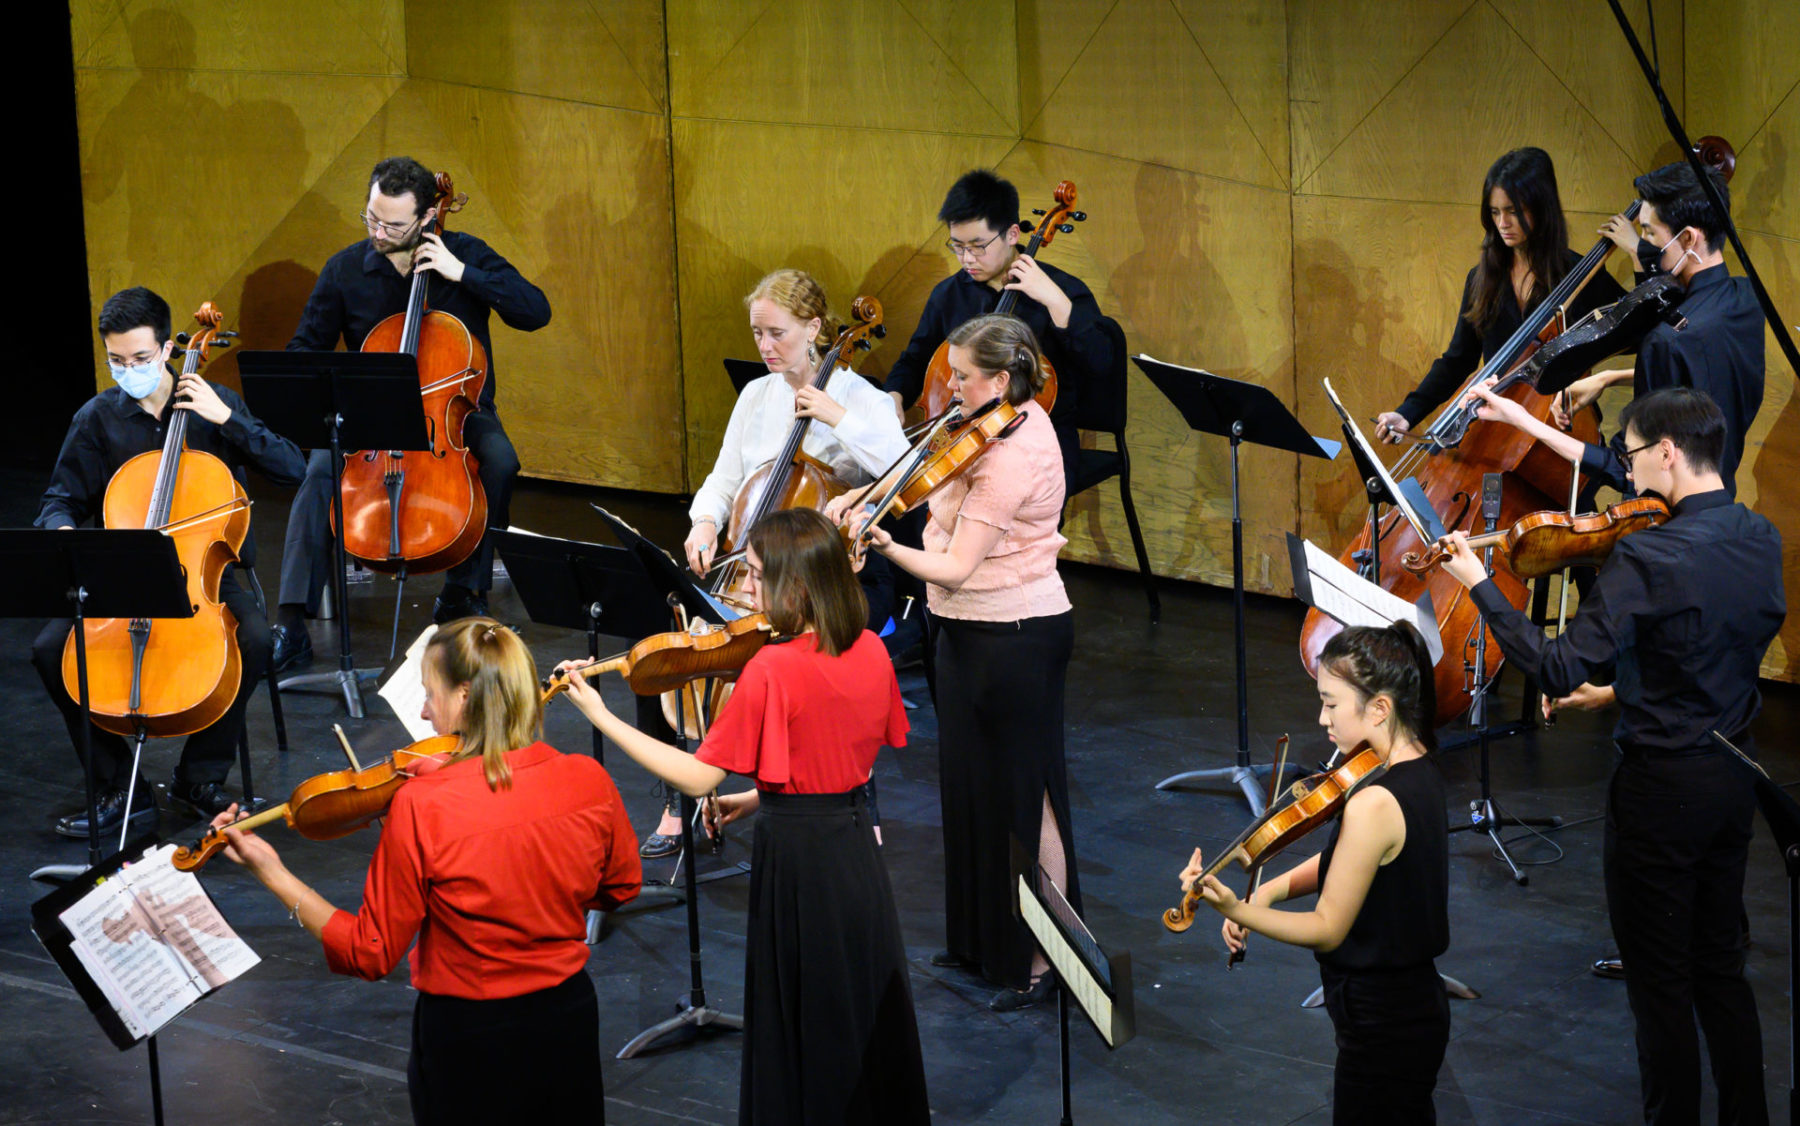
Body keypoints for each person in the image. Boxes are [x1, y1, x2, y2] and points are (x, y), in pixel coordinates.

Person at [1439, 387, 1781, 1124]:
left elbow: (1558, 667)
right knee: (1720, 967)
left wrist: (1482, 587)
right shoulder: (1760, 537)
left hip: (1660, 794)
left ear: (1665, 452)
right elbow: (1709, 656)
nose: (1623, 475)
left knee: (1660, 985)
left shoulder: (1649, 555)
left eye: (1626, 456)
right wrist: (1622, 690)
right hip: (1732, 778)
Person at [558, 508, 930, 1124]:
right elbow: (851, 767)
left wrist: (601, 716)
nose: (746, 588)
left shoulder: (772, 668)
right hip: (856, 858)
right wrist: (759, 798)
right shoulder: (870, 649)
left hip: (800, 865)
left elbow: (700, 775)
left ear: (797, 587)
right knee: (855, 1007)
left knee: (802, 1015)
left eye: (756, 575)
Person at [208, 617, 641, 1124]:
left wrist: (271, 870)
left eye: (430, 695)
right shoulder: (587, 777)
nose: (423, 711)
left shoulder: (423, 805)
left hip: (469, 1037)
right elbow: (620, 886)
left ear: (463, 697)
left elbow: (368, 952)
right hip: (566, 1022)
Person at [838, 312, 1077, 1011]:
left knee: (1026, 799)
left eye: (961, 377)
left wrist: (882, 545)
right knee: (973, 793)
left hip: (1017, 635)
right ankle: (982, 945)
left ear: (1000, 379)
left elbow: (958, 567)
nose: (949, 389)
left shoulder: (1012, 453)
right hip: (964, 635)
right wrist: (865, 493)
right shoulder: (978, 424)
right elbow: (921, 479)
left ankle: (1040, 961)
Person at [640, 267, 912, 858]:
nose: (765, 347)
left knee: (803, 664)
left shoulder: (860, 398)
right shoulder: (757, 395)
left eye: (777, 333)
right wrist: (706, 521)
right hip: (750, 567)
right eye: (757, 334)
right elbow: (725, 478)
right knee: (664, 656)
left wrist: (838, 417)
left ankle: (851, 797)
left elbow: (903, 471)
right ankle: (675, 799)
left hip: (833, 577)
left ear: (815, 327)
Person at [34, 286, 306, 835]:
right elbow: (60, 499)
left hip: (206, 570)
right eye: (116, 360)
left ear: (166, 348)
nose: (128, 369)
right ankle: (118, 785)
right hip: (123, 567)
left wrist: (229, 418)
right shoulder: (96, 419)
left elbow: (294, 469)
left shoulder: (212, 405)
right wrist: (61, 529)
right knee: (48, 651)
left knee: (252, 639)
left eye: (139, 358)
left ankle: (199, 776)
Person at [271, 156, 551, 672]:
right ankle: (291, 622)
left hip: (455, 416)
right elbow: (304, 349)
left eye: (393, 224)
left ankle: (463, 594)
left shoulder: (465, 253)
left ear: (426, 218)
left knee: (501, 461)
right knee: (318, 472)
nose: (378, 232)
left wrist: (462, 274)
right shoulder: (345, 270)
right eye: (371, 218)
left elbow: (535, 310)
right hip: (372, 418)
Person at [1182, 623, 1449, 1124]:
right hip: (1407, 1011)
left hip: (1382, 1021)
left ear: (1379, 709)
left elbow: (1327, 927)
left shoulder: (1375, 801)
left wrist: (1236, 907)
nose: (1320, 716)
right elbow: (1344, 862)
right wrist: (1271, 890)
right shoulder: (1418, 766)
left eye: (1330, 703)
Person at [880, 168, 1120, 497]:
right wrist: (893, 397)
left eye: (978, 246)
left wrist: (1055, 302)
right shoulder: (948, 295)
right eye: (957, 246)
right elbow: (914, 360)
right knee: (908, 508)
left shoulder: (1062, 290)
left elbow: (1101, 363)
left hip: (1040, 441)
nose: (966, 258)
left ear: (1011, 234)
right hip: (954, 437)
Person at [1374, 146, 1626, 445]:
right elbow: (1458, 360)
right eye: (1495, 212)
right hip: (1494, 431)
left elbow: (1634, 332)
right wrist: (1408, 413)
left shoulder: (1581, 274)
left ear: (1542, 209)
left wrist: (1640, 255)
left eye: (1513, 211)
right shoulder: (1482, 279)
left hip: (1559, 430)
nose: (1503, 223)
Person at [1542, 161, 1764, 497]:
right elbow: (1702, 377)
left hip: (1665, 523)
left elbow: (1627, 467)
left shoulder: (1665, 341)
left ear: (1688, 238)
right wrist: (1608, 376)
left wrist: (1523, 421)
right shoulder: (1746, 298)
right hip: (1722, 500)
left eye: (1648, 233)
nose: (1642, 244)